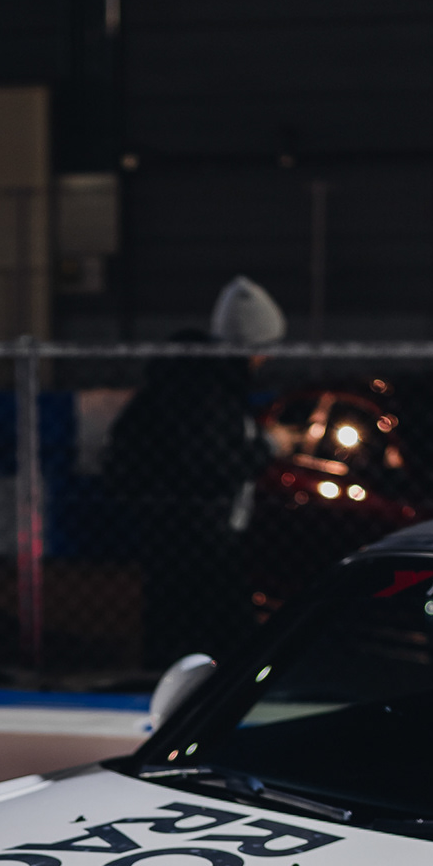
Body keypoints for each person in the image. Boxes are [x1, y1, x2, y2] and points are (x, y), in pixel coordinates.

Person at [103, 276, 288, 669]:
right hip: (198, 531)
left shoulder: (196, 380)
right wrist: (269, 447)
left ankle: (173, 687)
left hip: (179, 528)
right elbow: (212, 464)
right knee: (228, 637)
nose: (267, 358)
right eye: (265, 347)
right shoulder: (208, 390)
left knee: (178, 630)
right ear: (249, 345)